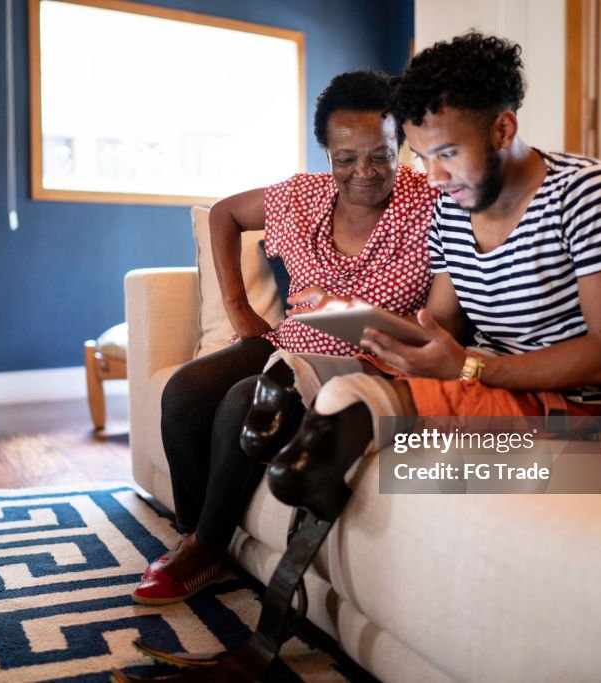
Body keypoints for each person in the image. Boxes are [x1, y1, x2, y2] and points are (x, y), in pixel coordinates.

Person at [264, 31, 601, 508]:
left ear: (503, 130)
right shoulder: (452, 210)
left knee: (343, 415)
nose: (433, 178)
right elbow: (441, 322)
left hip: (560, 402)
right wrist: (358, 318)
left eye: (446, 153)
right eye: (423, 157)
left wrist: (469, 368)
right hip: (477, 372)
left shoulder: (590, 193)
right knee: (294, 380)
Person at [131, 70, 439, 605]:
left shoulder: (432, 205)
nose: (363, 172)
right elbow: (224, 213)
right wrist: (237, 306)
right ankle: (197, 531)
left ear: (401, 146)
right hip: (289, 340)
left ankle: (204, 550)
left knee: (242, 403)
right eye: (345, 159)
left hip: (367, 361)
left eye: (380, 155)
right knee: (184, 392)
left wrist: (341, 314)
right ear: (326, 154)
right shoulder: (302, 196)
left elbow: (437, 326)